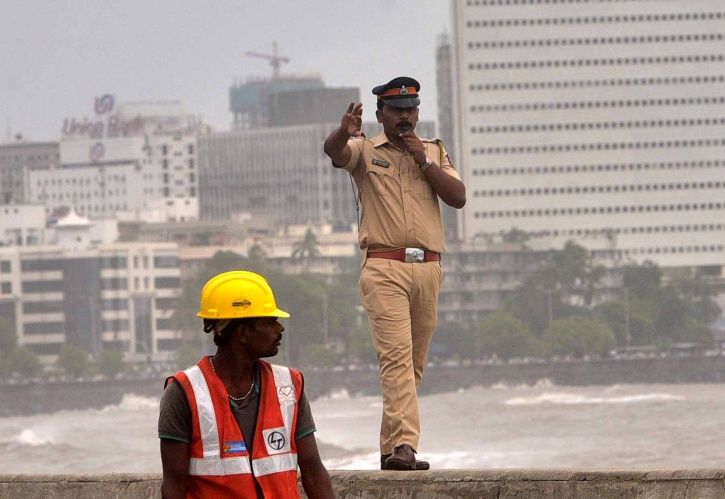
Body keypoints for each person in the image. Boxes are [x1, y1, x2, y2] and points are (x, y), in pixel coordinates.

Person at [323, 76, 466, 471]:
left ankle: (390, 450)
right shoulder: (366, 151)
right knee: (397, 360)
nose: (405, 117)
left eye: (410, 110)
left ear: (418, 112)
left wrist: (423, 160)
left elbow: (458, 197)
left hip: (429, 269)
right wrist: (342, 131)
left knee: (413, 364)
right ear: (382, 114)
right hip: (385, 266)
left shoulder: (435, 152)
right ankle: (405, 446)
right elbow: (334, 153)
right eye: (397, 111)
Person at [158, 270, 335, 498]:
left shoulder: (289, 385)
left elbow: (313, 470)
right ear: (242, 332)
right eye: (270, 322)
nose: (280, 329)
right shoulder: (183, 392)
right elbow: (173, 486)